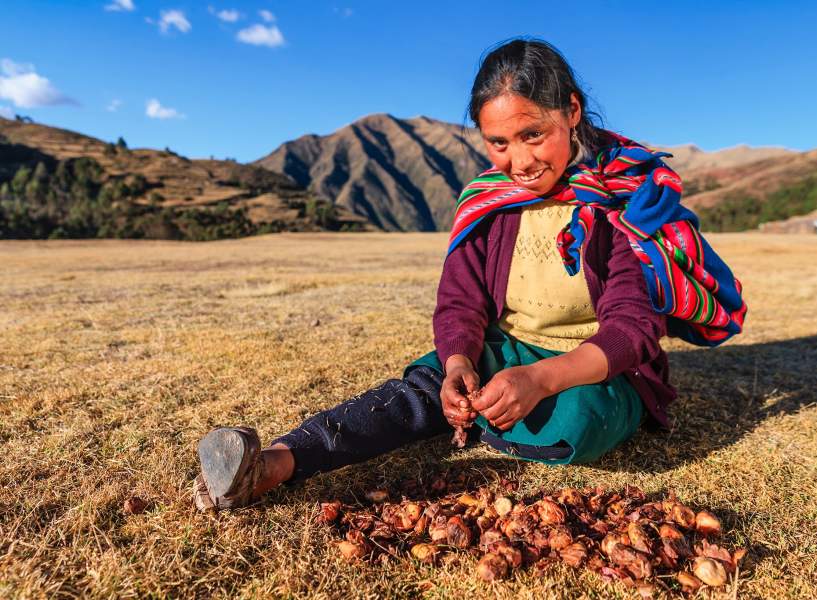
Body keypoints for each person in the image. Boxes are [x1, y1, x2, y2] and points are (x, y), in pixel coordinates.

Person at [191, 39, 741, 512]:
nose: (518, 161)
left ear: (572, 112)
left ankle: (473, 417)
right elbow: (461, 302)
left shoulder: (624, 200)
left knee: (579, 420)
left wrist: (541, 380)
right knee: (424, 388)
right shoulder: (488, 200)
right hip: (504, 351)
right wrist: (458, 362)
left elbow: (631, 329)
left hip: (595, 370)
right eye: (498, 142)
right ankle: (274, 465)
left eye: (533, 134)